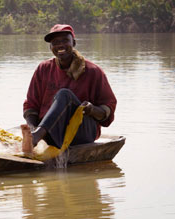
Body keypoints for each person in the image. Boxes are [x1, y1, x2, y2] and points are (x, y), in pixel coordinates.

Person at [21, 24, 116, 155]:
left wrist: (92, 109)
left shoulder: (93, 71)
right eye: (55, 42)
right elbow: (31, 104)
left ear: (74, 43)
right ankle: (35, 136)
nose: (60, 45)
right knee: (40, 123)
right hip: (50, 132)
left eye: (65, 41)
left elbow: (108, 110)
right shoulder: (44, 69)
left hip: (81, 133)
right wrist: (32, 129)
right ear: (50, 47)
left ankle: (37, 137)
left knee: (64, 94)